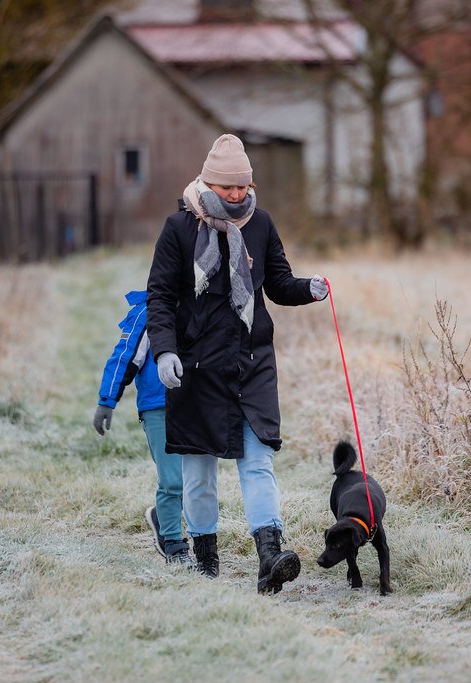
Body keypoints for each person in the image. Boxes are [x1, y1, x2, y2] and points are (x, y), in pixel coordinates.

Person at [146, 133, 329, 594]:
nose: (236, 194)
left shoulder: (260, 223)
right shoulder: (179, 228)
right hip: (197, 366)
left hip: (251, 362)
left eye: (242, 186)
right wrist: (165, 350)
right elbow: (161, 297)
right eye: (228, 187)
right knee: (200, 470)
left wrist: (309, 287)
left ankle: (270, 554)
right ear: (209, 182)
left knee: (258, 459)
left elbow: (278, 283)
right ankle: (206, 557)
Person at [93, 289, 193, 567]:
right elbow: (124, 356)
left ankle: (166, 517)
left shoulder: (202, 302)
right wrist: (107, 401)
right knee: (173, 480)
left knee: (195, 480)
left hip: (196, 404)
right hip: (157, 407)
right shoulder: (148, 312)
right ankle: (173, 542)